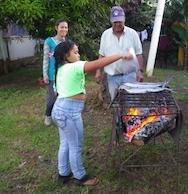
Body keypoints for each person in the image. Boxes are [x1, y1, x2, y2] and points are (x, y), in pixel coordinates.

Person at [51, 40, 133, 186]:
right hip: (69, 111)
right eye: (75, 52)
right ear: (65, 56)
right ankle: (80, 177)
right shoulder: (74, 66)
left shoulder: (62, 69)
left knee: (65, 143)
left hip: (59, 109)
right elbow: (97, 64)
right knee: (75, 145)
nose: (79, 54)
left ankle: (63, 174)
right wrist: (120, 55)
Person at [95, 6, 144, 100]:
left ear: (124, 19)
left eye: (120, 22)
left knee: (130, 103)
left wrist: (140, 72)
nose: (117, 24)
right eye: (115, 22)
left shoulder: (132, 34)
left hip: (130, 76)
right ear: (111, 21)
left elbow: (139, 54)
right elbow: (102, 55)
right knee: (116, 103)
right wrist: (98, 72)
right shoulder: (105, 35)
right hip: (113, 77)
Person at [42, 18, 69, 126]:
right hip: (53, 74)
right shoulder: (49, 41)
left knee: (64, 97)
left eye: (66, 27)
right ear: (56, 28)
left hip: (65, 74)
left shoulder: (67, 43)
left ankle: (61, 117)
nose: (64, 29)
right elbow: (46, 58)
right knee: (53, 99)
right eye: (62, 27)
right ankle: (48, 116)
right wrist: (45, 74)